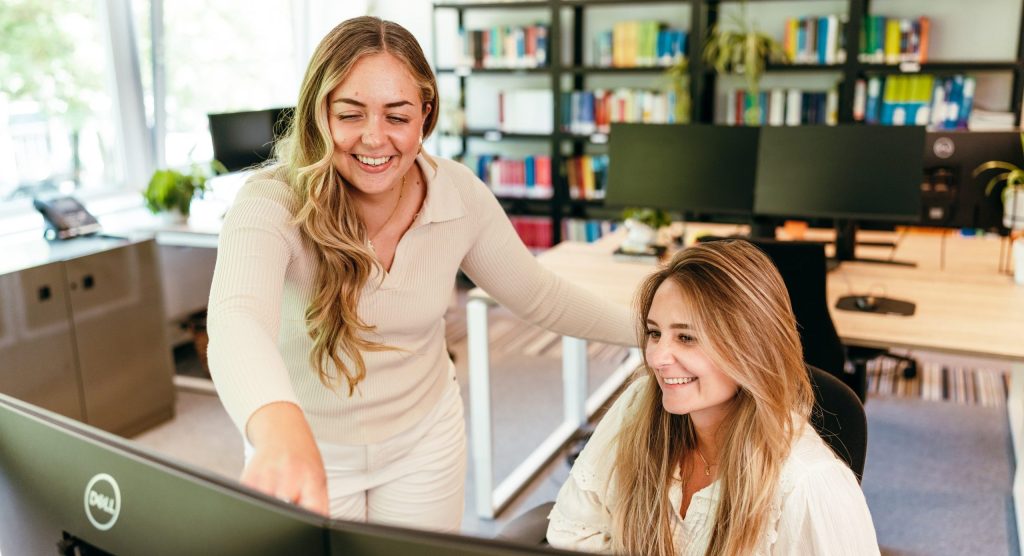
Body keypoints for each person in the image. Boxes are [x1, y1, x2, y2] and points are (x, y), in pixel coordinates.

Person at [205, 16, 633, 533]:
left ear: (425, 115)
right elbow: (236, 320)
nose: (374, 138)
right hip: (306, 445)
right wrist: (277, 430)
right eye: (351, 113)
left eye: (397, 115)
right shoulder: (269, 203)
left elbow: (538, 294)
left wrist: (647, 332)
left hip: (423, 442)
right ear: (319, 113)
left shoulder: (457, 194)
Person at [546, 240, 879, 555]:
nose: (658, 358)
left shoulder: (809, 484)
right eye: (655, 333)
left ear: (750, 348)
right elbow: (572, 532)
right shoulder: (639, 405)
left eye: (687, 337)